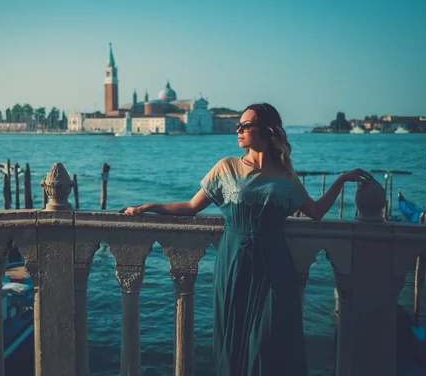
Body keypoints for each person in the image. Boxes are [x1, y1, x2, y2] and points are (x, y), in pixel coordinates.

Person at [121, 103, 373, 376]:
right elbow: (192, 206)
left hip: (274, 266)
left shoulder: (285, 175)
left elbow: (316, 212)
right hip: (234, 264)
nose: (238, 130)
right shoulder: (226, 168)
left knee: (270, 341)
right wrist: (149, 206)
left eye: (245, 125)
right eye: (238, 125)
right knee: (234, 340)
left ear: (266, 130)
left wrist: (340, 180)